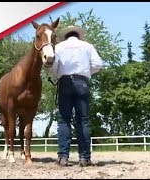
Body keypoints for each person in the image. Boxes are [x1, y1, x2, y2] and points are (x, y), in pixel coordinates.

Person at [47, 25, 103, 167]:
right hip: (82, 83)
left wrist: (58, 74)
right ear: (78, 35)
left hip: (65, 82)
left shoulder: (59, 47)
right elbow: (98, 64)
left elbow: (53, 67)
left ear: (66, 36)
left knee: (64, 120)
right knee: (83, 120)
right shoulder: (88, 46)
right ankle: (84, 158)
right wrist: (86, 72)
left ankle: (63, 157)